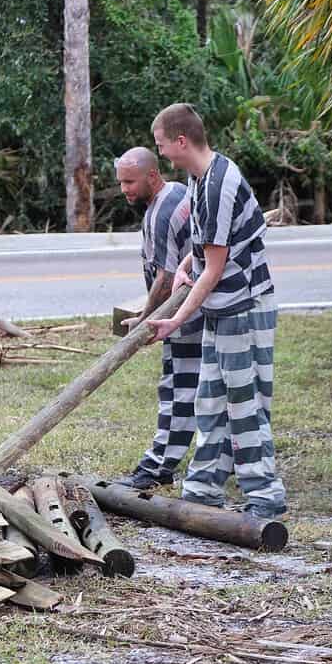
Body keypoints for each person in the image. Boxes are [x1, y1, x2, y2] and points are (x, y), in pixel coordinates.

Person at [145, 104, 286, 519]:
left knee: (244, 401)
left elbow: (216, 269)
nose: (163, 153)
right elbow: (203, 250)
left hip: (243, 305)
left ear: (181, 141)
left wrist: (176, 319)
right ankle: (204, 487)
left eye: (162, 145)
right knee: (211, 397)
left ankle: (264, 494)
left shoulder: (218, 187)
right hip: (222, 306)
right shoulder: (198, 176)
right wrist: (187, 265)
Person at [113, 147, 203, 490]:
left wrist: (145, 320)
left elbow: (165, 277)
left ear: (153, 175)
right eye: (121, 182)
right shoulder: (177, 192)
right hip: (184, 313)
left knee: (179, 392)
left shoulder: (161, 214)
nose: (125, 189)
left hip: (184, 317)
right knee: (182, 387)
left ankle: (157, 467)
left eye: (130, 182)